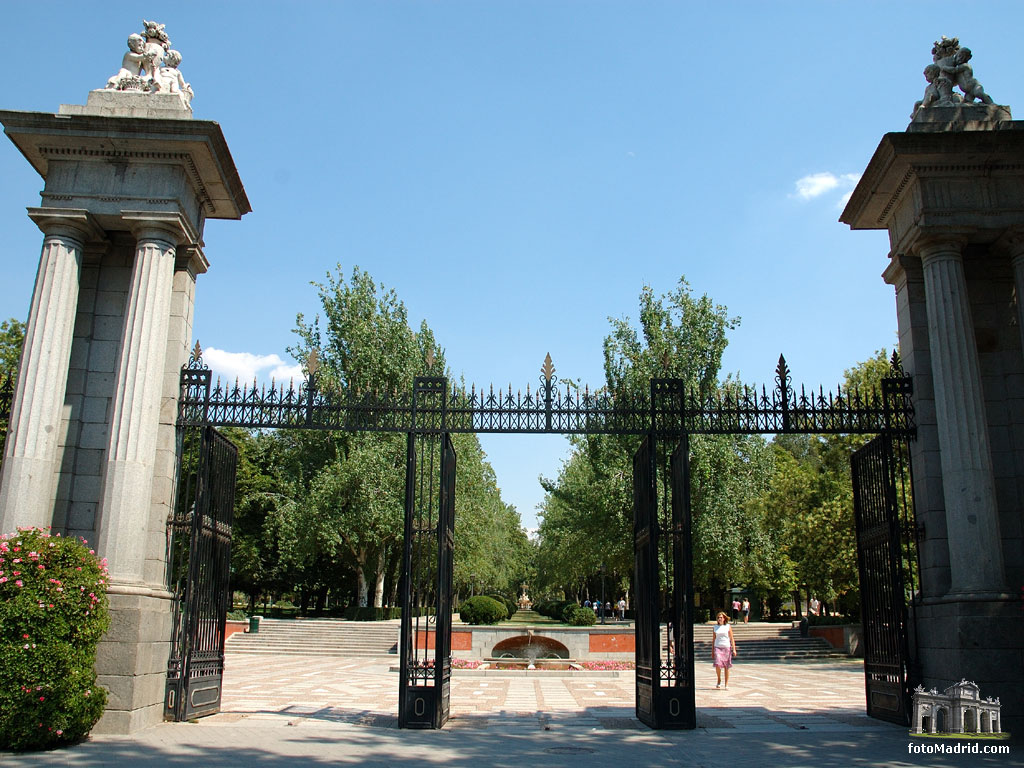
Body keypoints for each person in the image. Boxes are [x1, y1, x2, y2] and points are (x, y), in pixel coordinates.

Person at [712, 611, 737, 689]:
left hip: (726, 647)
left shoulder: (728, 626)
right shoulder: (715, 627)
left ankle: (726, 683)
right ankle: (719, 679)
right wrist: (712, 650)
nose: (720, 619)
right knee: (717, 663)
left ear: (724, 618)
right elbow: (713, 639)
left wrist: (734, 649)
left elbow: (732, 638)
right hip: (717, 647)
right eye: (718, 617)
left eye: (721, 617)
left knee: (726, 666)